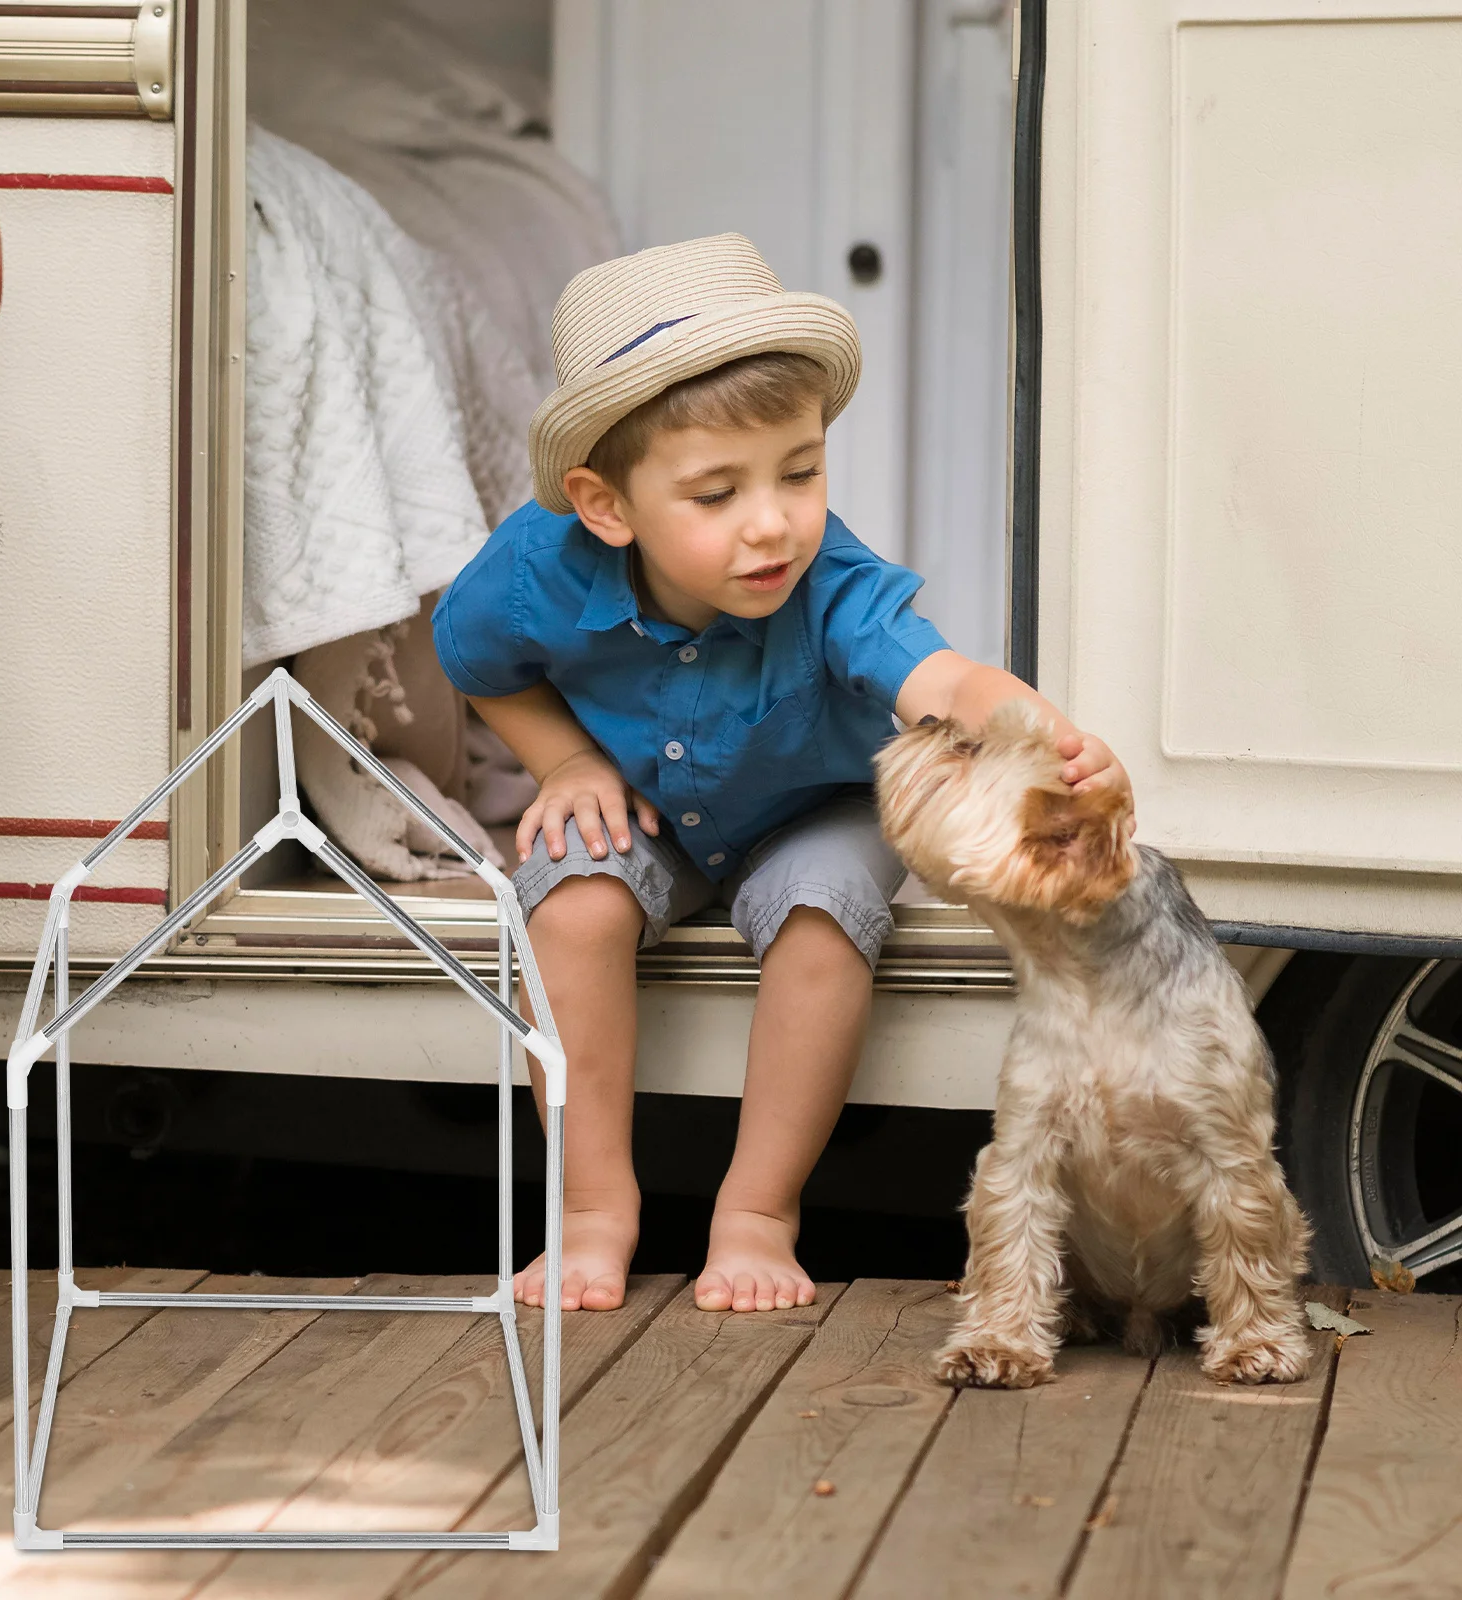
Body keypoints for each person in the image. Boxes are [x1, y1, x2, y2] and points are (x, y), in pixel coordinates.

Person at [433, 233, 1132, 1314]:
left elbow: (943, 676)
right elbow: (474, 665)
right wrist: (563, 759)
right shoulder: (531, 570)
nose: (773, 523)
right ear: (605, 505)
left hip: (814, 807)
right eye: (716, 493)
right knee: (569, 903)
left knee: (824, 913)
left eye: (800, 473)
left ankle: (757, 1213)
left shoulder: (830, 579)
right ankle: (588, 1209)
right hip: (648, 804)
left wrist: (1048, 737)